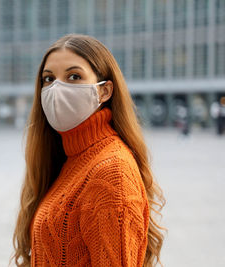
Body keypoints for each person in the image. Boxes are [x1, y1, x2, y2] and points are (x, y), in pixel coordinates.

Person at [12, 34, 165, 267]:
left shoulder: (112, 172)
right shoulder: (71, 159)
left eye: (74, 76)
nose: (57, 89)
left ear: (104, 91)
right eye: (48, 78)